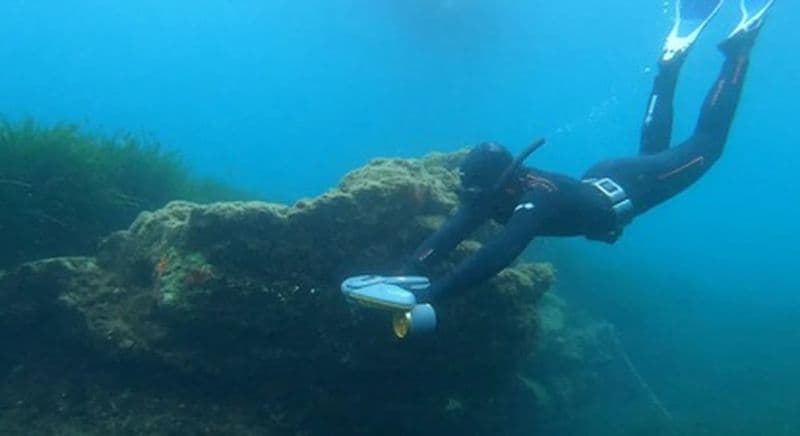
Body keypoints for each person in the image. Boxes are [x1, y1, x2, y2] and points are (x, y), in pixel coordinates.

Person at [400, 0, 776, 303]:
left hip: (632, 185)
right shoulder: (493, 192)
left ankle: (738, 50)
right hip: (611, 178)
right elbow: (449, 234)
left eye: (477, 192)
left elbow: (499, 252)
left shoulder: (535, 200)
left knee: (706, 146)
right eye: (471, 192)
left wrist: (434, 295)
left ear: (503, 180)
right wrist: (409, 273)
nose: (472, 199)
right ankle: (669, 65)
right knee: (653, 151)